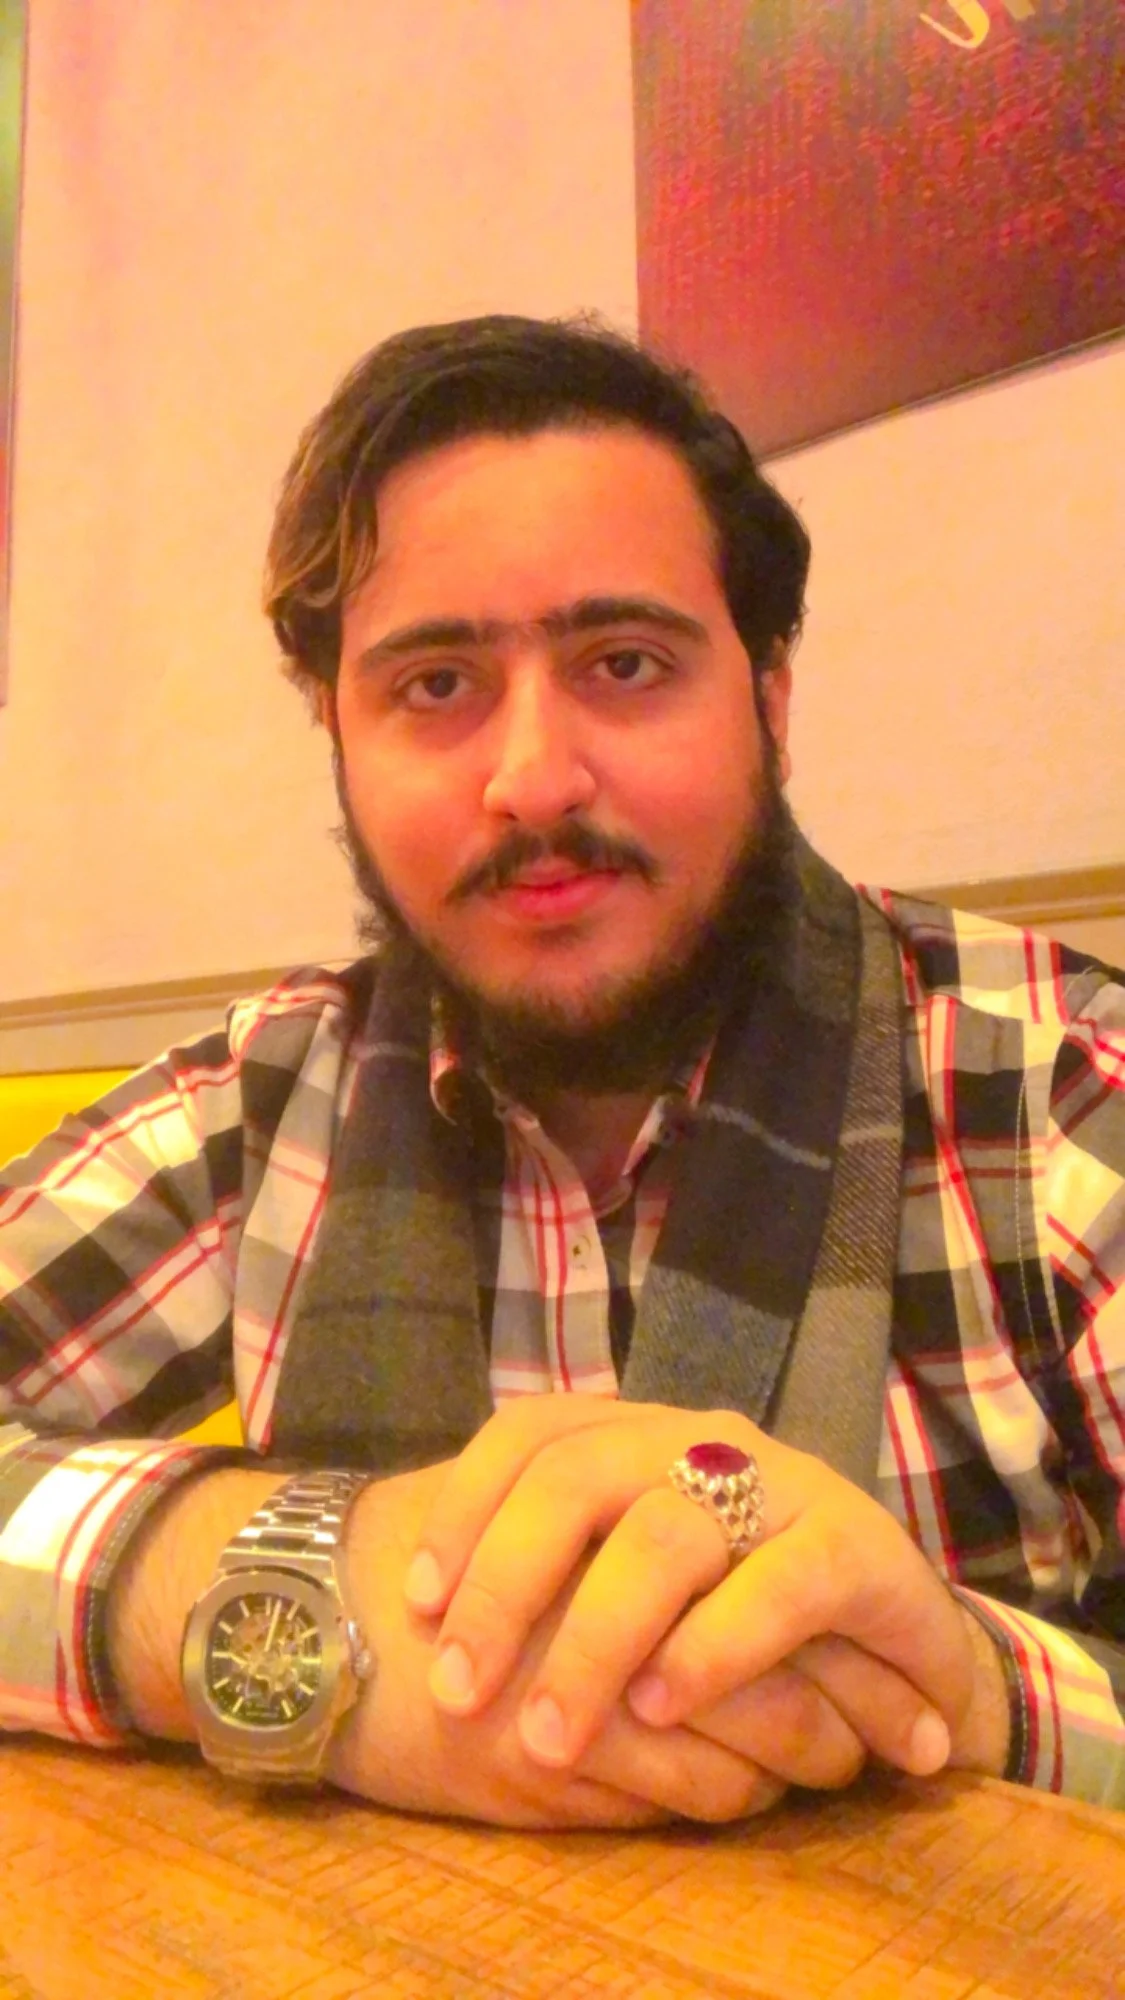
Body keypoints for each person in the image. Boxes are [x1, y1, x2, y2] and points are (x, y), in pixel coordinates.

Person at [1, 316, 1122, 1827]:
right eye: (435, 686)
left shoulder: (1051, 1096)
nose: (533, 778)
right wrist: (291, 1589)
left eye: (625, 663)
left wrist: (972, 1689)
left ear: (770, 697)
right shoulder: (261, 1108)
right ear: (337, 738)